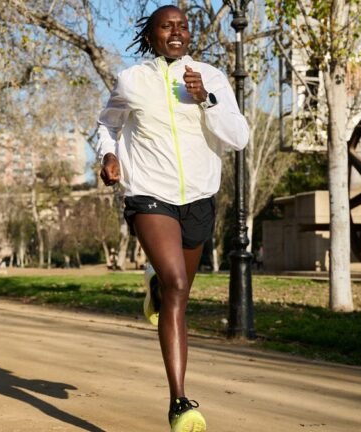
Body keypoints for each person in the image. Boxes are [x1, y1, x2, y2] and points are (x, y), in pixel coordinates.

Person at [97, 5, 249, 432]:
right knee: (178, 285)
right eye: (168, 26)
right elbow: (108, 126)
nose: (178, 31)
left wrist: (206, 101)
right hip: (149, 193)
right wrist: (108, 155)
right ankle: (180, 401)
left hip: (199, 197)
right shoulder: (133, 80)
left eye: (184, 26)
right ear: (152, 35)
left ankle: (155, 287)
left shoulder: (211, 77)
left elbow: (238, 138)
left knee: (175, 293)